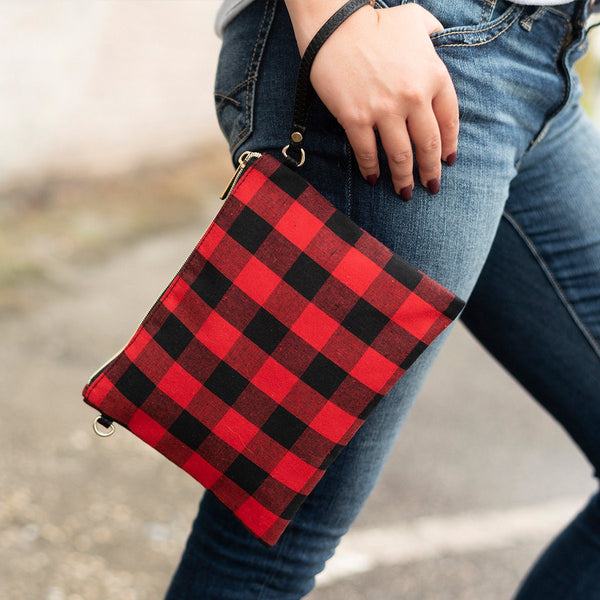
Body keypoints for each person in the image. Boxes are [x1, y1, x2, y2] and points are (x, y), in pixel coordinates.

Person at [165, 0, 600, 597]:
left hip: (544, 56)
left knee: (276, 527)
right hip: (400, 40)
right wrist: (332, 16)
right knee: (272, 534)